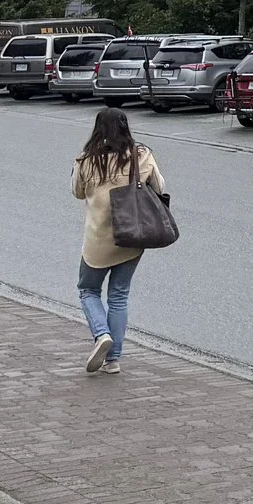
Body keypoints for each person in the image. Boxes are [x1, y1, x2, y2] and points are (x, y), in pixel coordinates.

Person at [71, 106, 162, 375]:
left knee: (88, 290)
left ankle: (101, 334)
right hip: (132, 237)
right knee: (119, 296)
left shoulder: (87, 160)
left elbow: (77, 192)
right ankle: (113, 360)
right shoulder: (141, 155)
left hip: (98, 239)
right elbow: (160, 187)